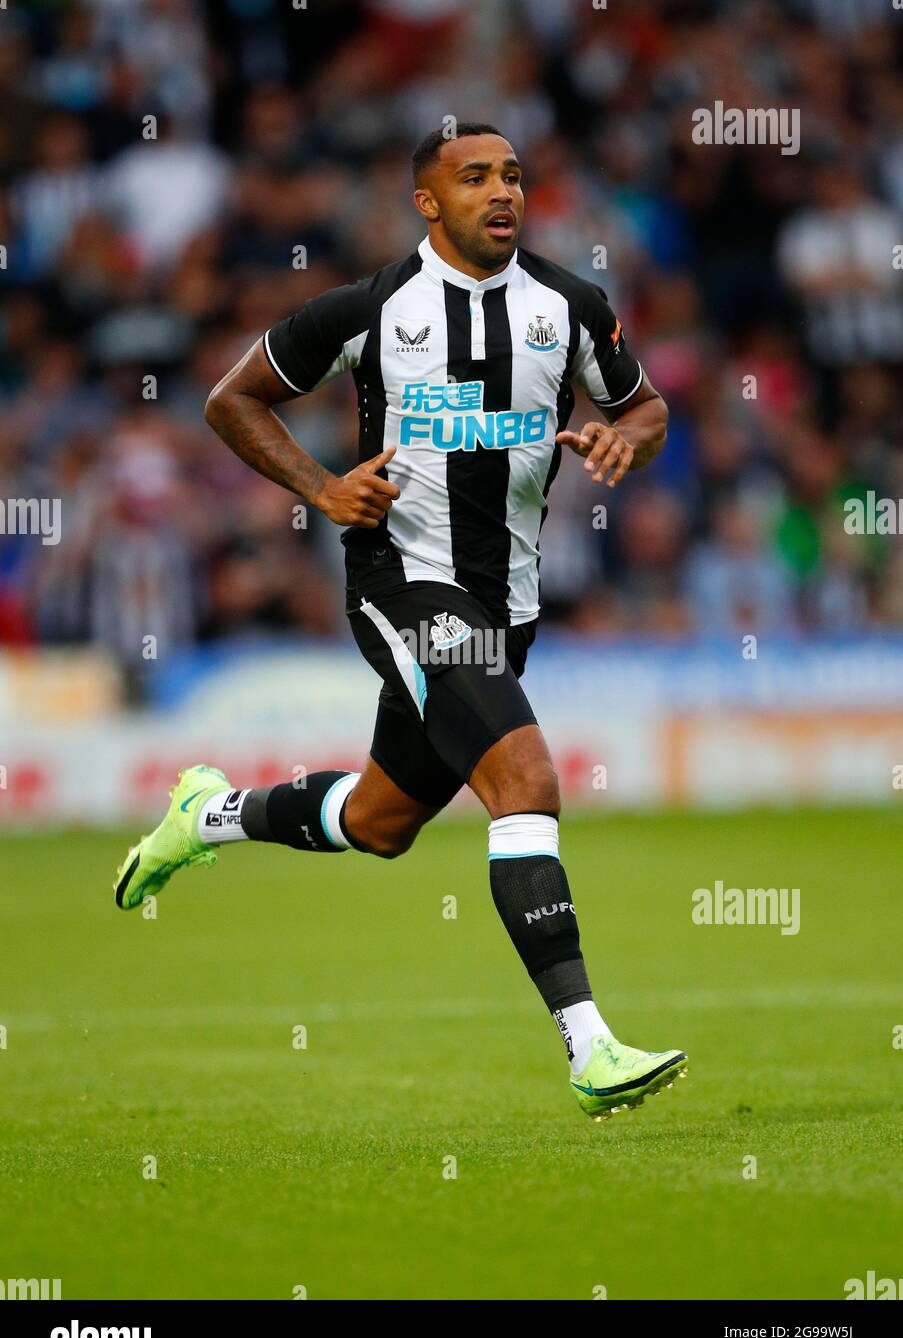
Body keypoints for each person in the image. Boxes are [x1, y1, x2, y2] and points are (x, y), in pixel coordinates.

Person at [114, 124, 688, 1120]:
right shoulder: (372, 310)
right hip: (403, 585)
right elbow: (231, 399)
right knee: (527, 781)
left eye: (512, 175)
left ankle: (204, 815)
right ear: (429, 202)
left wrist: (619, 439)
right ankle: (588, 1044)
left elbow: (649, 410)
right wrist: (323, 488)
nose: (502, 192)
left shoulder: (569, 306)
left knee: (380, 823)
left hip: (508, 604)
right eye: (475, 178)